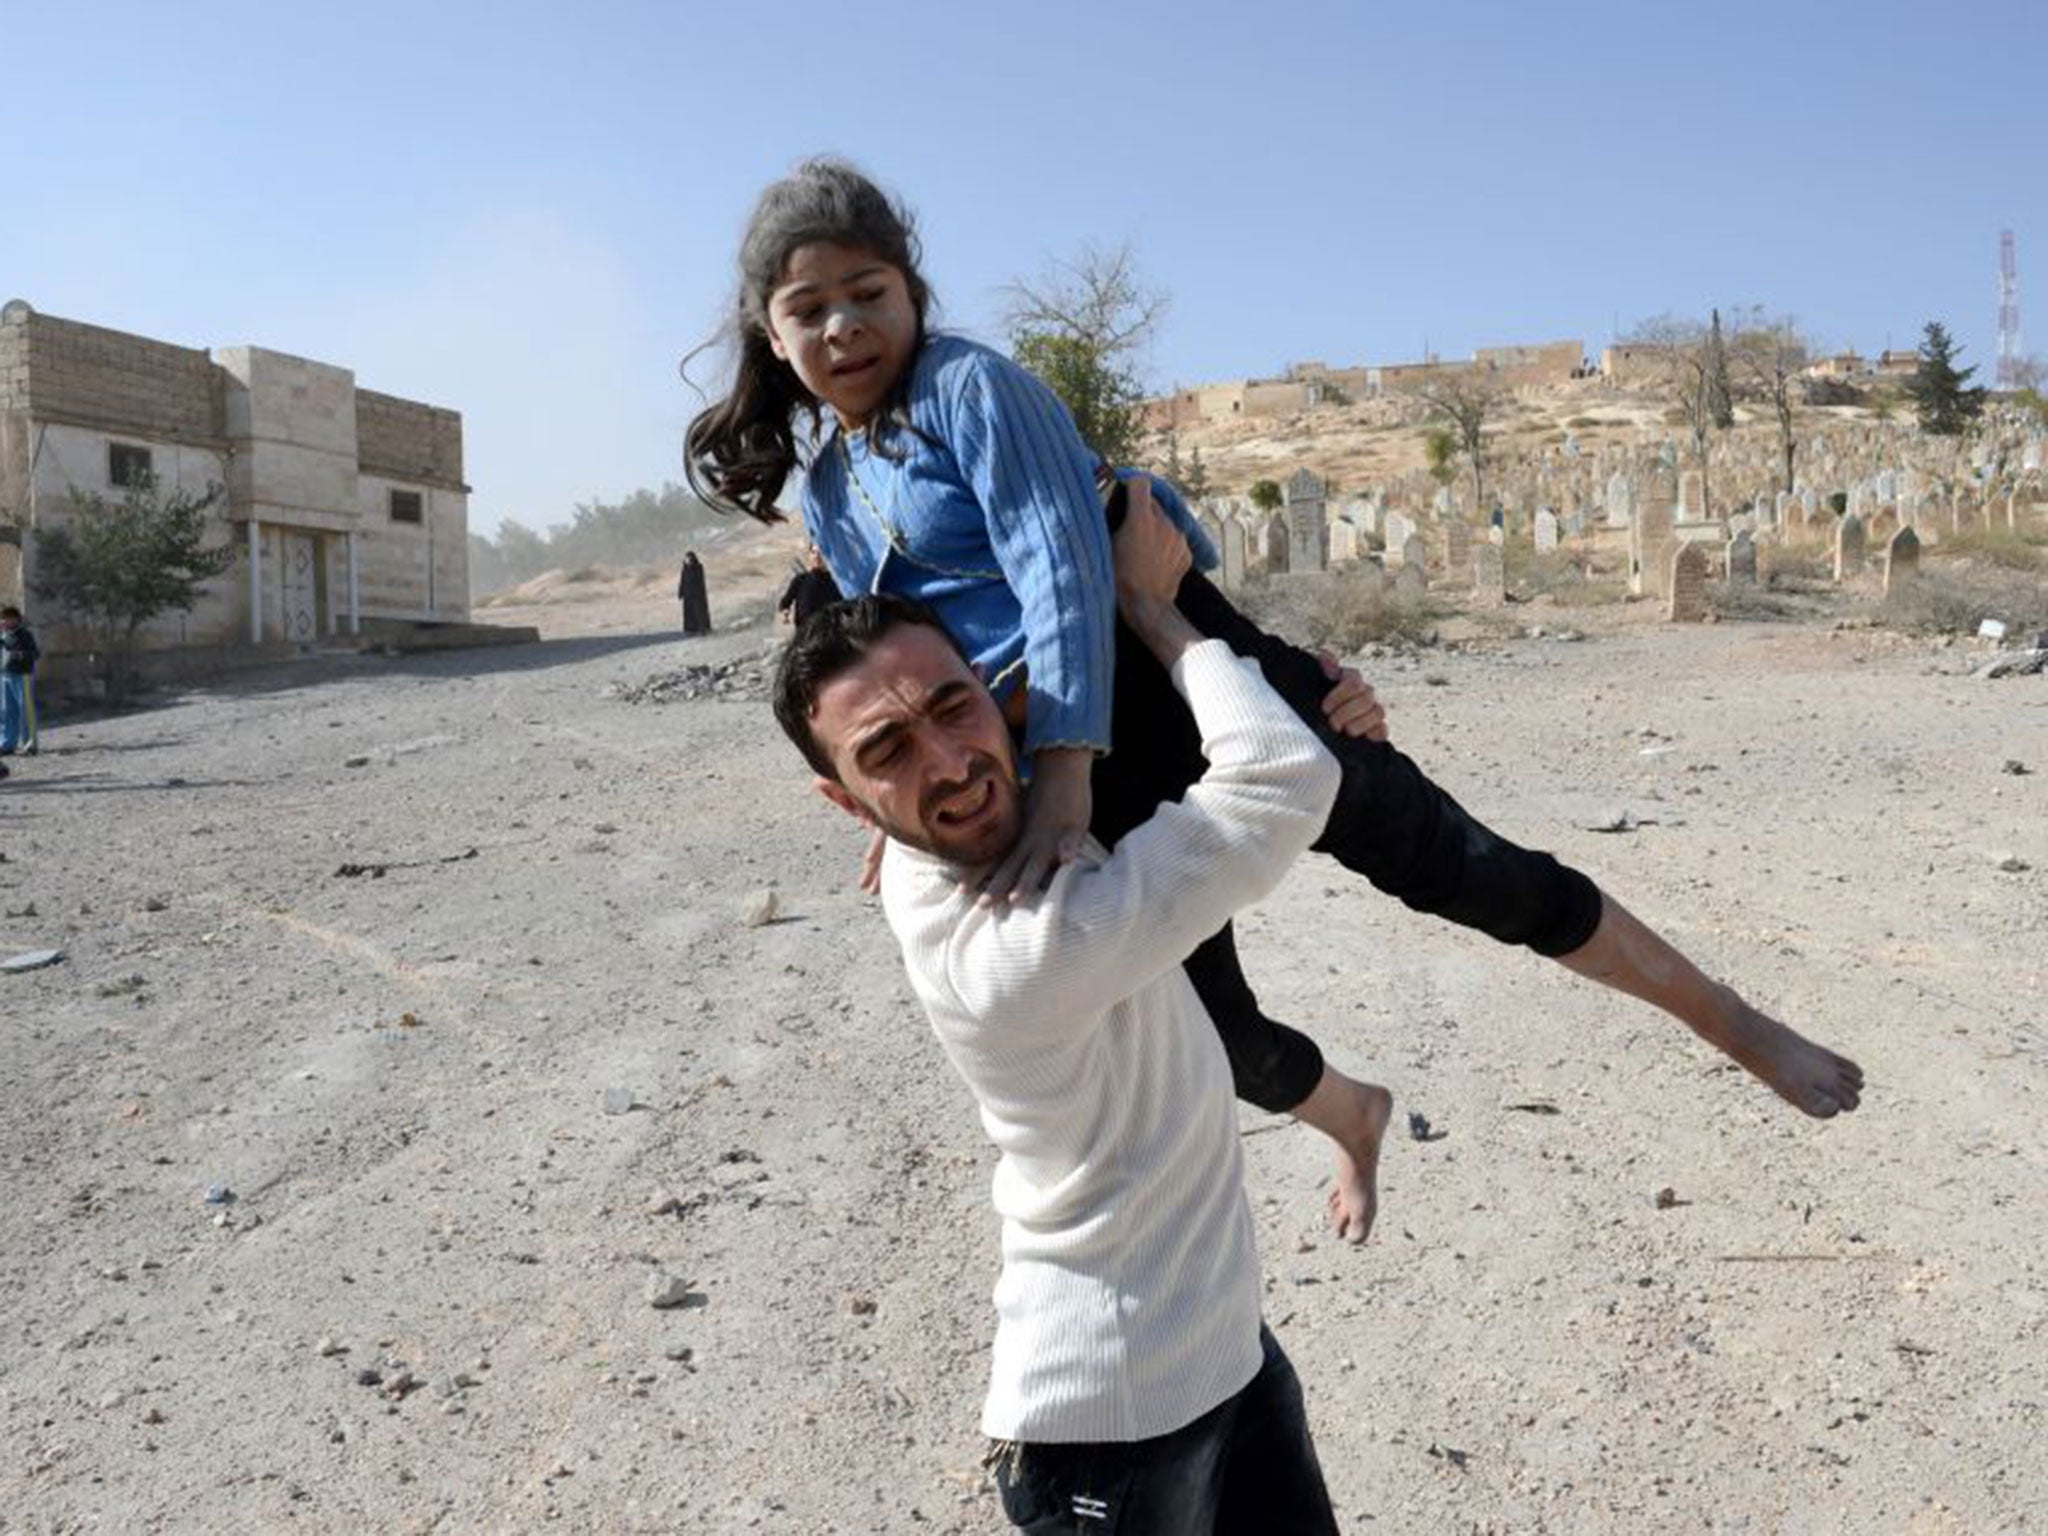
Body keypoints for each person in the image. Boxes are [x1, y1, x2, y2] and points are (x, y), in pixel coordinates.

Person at [687, 159, 1862, 1238]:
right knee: (1208, 1041)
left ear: (911, 292)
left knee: (1464, 868)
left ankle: (1731, 1023)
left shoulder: (968, 389)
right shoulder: (833, 485)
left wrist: (1062, 781)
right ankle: (1350, 1112)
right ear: (770, 331)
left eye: (868, 291)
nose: (844, 325)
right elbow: (883, 660)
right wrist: (884, 814)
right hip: (1076, 757)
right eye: (810, 308)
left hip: (1164, 675)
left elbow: (1065, 567)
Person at [774, 495, 1342, 1532]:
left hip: (1227, 1358)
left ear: (1003, 699)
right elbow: (1282, 775)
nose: (947, 767)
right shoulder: (1018, 953)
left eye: (951, 710)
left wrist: (1327, 687)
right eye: (886, 754)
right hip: (1112, 1436)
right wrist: (1154, 610)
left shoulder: (976, 816)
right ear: (847, 808)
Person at [0, 605, 38, 758]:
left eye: (7, 617)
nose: (4, 621)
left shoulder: (24, 635)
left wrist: (17, 654)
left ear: (16, 619)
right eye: (3, 618)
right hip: (5, 676)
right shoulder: (3, 635)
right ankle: (7, 744)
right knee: (7, 711)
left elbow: (35, 653)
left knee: (25, 711)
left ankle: (30, 744)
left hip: (22, 675)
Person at [776, 542, 840, 627]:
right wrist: (785, 612)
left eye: (821, 553)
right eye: (813, 552)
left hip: (827, 635)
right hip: (804, 635)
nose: (817, 556)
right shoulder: (800, 580)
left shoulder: (835, 583)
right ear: (809, 555)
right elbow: (785, 602)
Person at [677, 550, 711, 636]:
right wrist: (680, 592)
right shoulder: (685, 569)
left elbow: (700, 581)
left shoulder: (698, 567)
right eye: (687, 558)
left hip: (697, 595)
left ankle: (702, 628)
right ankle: (690, 629)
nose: (688, 560)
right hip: (688, 595)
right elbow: (682, 581)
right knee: (689, 613)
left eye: (689, 558)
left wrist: (699, 593)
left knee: (699, 612)